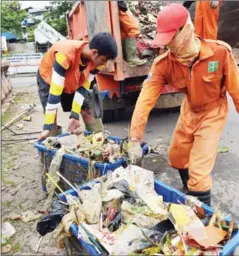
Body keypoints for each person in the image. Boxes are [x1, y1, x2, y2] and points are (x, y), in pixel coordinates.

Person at [129, 3, 239, 206]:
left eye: (172, 37)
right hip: (190, 110)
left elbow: (236, 90)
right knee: (177, 157)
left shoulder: (219, 52)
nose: (169, 44)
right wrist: (135, 138)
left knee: (198, 171)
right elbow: (146, 98)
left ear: (185, 30)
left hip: (213, 110)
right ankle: (189, 189)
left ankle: (202, 215)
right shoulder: (163, 64)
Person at [37, 32, 118, 140]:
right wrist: (47, 125)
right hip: (48, 79)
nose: (106, 65)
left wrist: (74, 115)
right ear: (94, 53)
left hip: (73, 80)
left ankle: (99, 141)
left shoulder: (98, 64)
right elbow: (55, 91)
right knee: (52, 120)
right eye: (104, 60)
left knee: (87, 110)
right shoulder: (65, 55)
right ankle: (53, 148)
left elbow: (83, 88)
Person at [117, 0, 146, 66]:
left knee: (123, 31)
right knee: (133, 29)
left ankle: (127, 58)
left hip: (115, 7)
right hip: (117, 6)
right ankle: (131, 58)